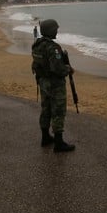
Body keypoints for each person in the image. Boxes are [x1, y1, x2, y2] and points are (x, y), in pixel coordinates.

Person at [31, 19, 75, 152]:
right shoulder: (53, 47)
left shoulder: (37, 45)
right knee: (58, 111)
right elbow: (58, 69)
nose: (57, 31)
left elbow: (36, 64)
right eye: (55, 29)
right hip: (54, 84)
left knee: (46, 109)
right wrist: (68, 69)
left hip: (43, 82)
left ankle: (45, 137)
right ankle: (59, 142)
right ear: (50, 30)